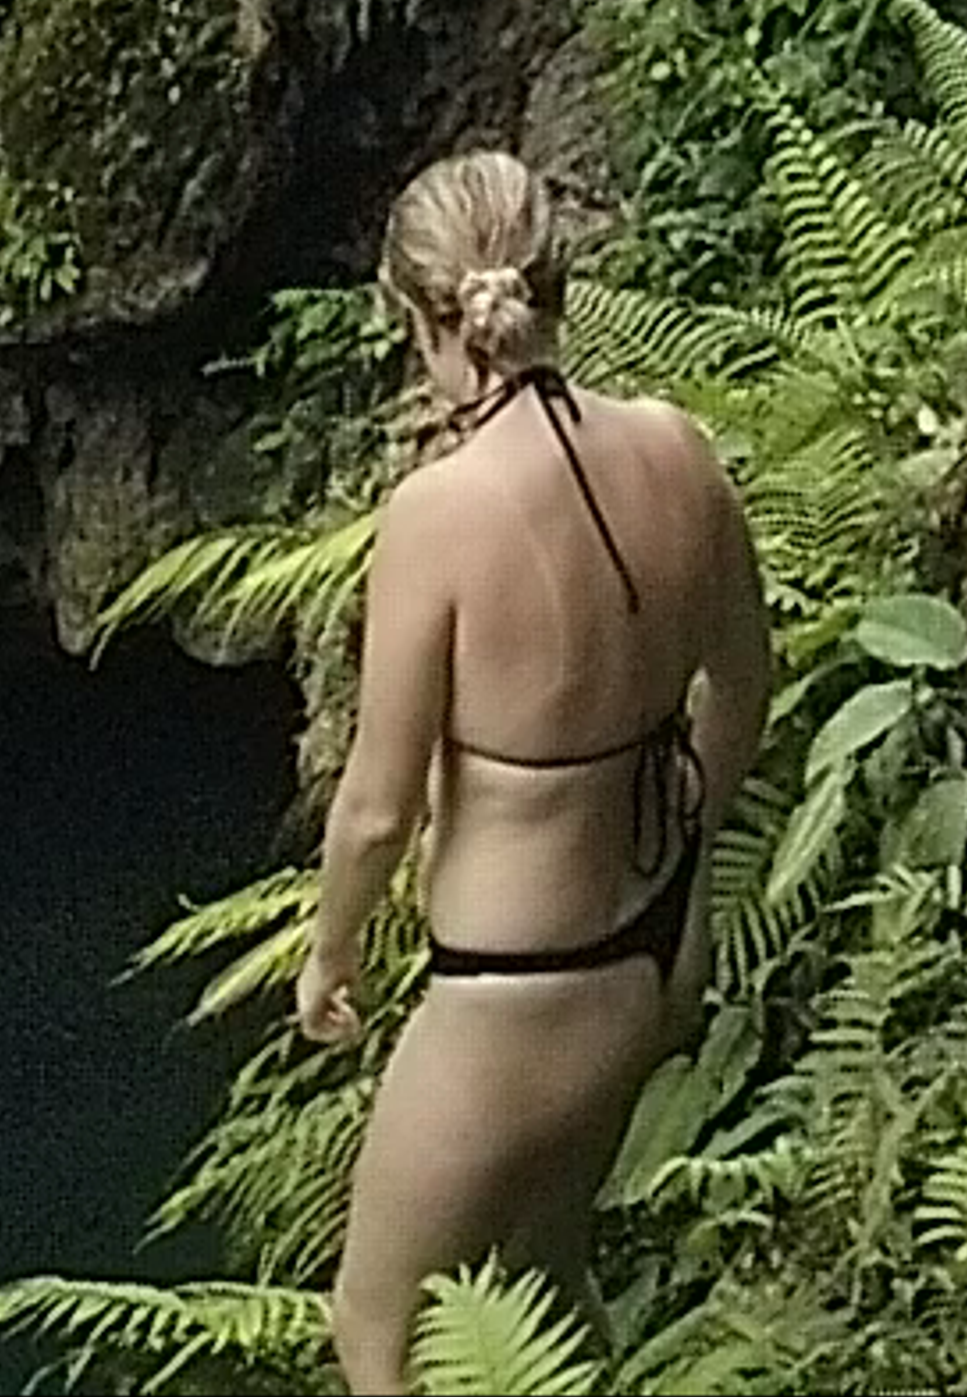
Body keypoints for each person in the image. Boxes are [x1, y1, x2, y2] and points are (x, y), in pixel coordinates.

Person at [298, 146, 773, 1393]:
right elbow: (748, 681)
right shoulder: (679, 444)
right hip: (655, 950)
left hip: (509, 996)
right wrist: (689, 834)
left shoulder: (439, 513)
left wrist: (329, 954)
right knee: (548, 1284)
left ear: (422, 320)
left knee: (375, 1330)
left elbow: (378, 807)